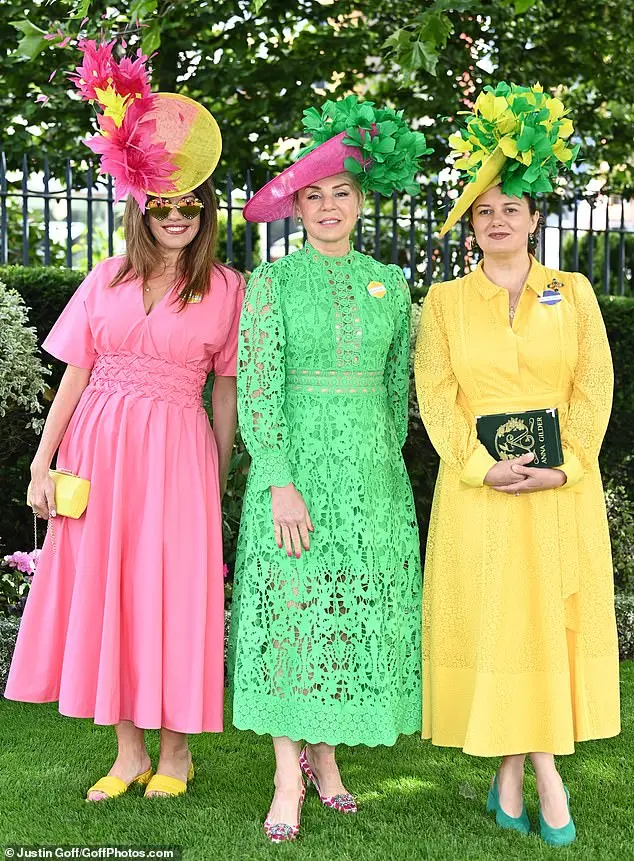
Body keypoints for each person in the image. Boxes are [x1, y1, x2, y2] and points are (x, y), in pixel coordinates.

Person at [5, 40, 244, 801]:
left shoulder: (228, 287)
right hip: (97, 450)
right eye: (163, 205)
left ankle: (177, 753)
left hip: (179, 451)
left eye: (189, 207)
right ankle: (130, 750)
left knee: (171, 590)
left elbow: (227, 391)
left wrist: (223, 466)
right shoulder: (104, 278)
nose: (176, 217)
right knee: (111, 590)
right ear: (143, 209)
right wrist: (43, 464)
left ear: (204, 213)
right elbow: (73, 375)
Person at [415, 82, 620, 847]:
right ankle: (543, 773)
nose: (497, 220)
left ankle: (516, 774)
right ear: (472, 226)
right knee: (499, 627)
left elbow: (594, 384)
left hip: (560, 491)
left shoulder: (576, 291)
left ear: (535, 219)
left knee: (545, 627)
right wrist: (476, 468)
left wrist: (567, 466)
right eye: (484, 211)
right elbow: (436, 397)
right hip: (480, 494)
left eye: (511, 208)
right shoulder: (441, 302)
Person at [229, 96, 432, 842]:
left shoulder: (391, 283)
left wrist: (381, 475)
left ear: (360, 200)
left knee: (344, 615)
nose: (327, 207)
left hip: (368, 482)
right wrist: (280, 478)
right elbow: (257, 385)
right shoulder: (271, 284)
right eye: (311, 196)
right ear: (296, 208)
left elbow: (394, 392)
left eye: (339, 193)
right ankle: (288, 773)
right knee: (291, 614)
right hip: (296, 475)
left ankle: (328, 759)